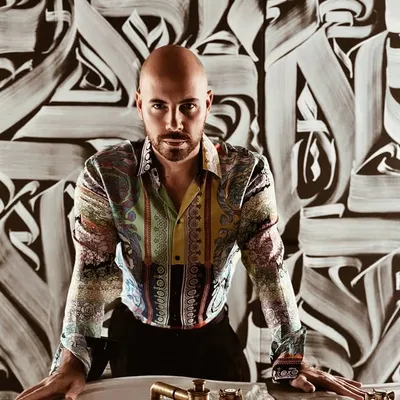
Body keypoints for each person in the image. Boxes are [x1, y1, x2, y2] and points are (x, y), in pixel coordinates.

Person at [16, 45, 366, 400]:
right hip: (133, 349)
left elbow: (268, 268)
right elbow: (93, 273)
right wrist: (72, 362)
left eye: (188, 106)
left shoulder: (246, 174)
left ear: (207, 103)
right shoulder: (105, 175)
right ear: (140, 104)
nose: (174, 123)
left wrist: (290, 360)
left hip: (214, 349)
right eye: (159, 106)